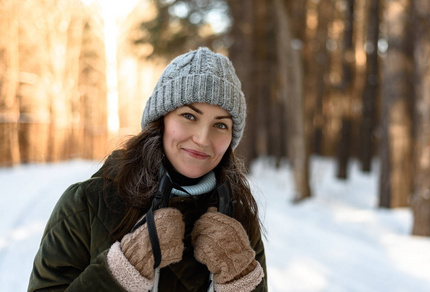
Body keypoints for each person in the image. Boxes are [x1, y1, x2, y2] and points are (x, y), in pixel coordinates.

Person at [28, 47, 267, 292]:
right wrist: (121, 271)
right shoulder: (86, 203)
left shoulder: (239, 217)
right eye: (189, 116)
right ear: (161, 119)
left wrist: (240, 278)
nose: (203, 139)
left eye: (220, 124)